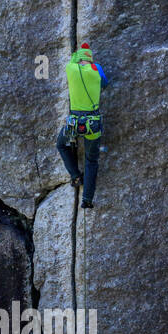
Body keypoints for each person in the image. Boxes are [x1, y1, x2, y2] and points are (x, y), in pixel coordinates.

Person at [56, 42, 108, 209]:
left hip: (75, 122)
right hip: (93, 123)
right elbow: (105, 84)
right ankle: (87, 200)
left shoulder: (71, 68)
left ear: (78, 57)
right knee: (91, 160)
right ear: (90, 58)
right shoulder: (96, 68)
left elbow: (72, 59)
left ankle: (76, 176)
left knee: (61, 144)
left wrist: (76, 57)